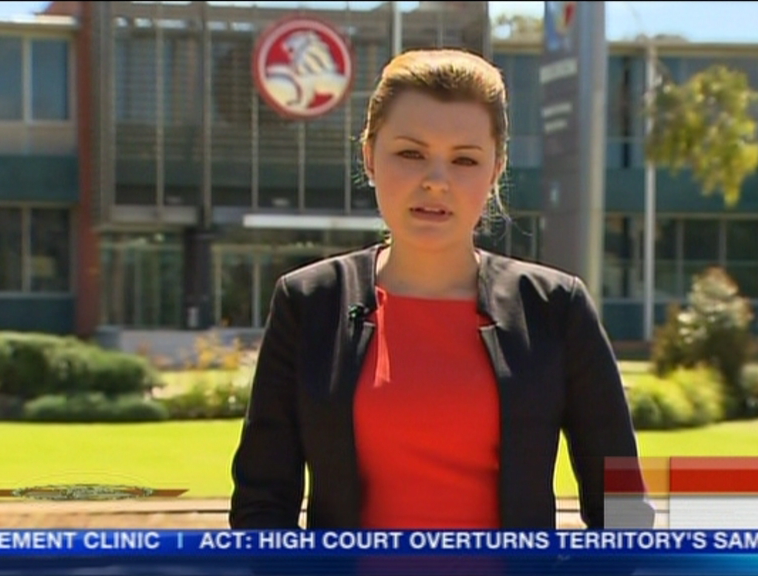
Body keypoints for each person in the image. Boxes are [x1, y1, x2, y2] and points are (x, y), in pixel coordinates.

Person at [229, 48, 651, 531]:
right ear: (369, 156)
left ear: (495, 171)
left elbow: (623, 511)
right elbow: (262, 507)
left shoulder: (556, 308)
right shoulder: (308, 303)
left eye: (464, 160)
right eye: (411, 153)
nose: (436, 181)